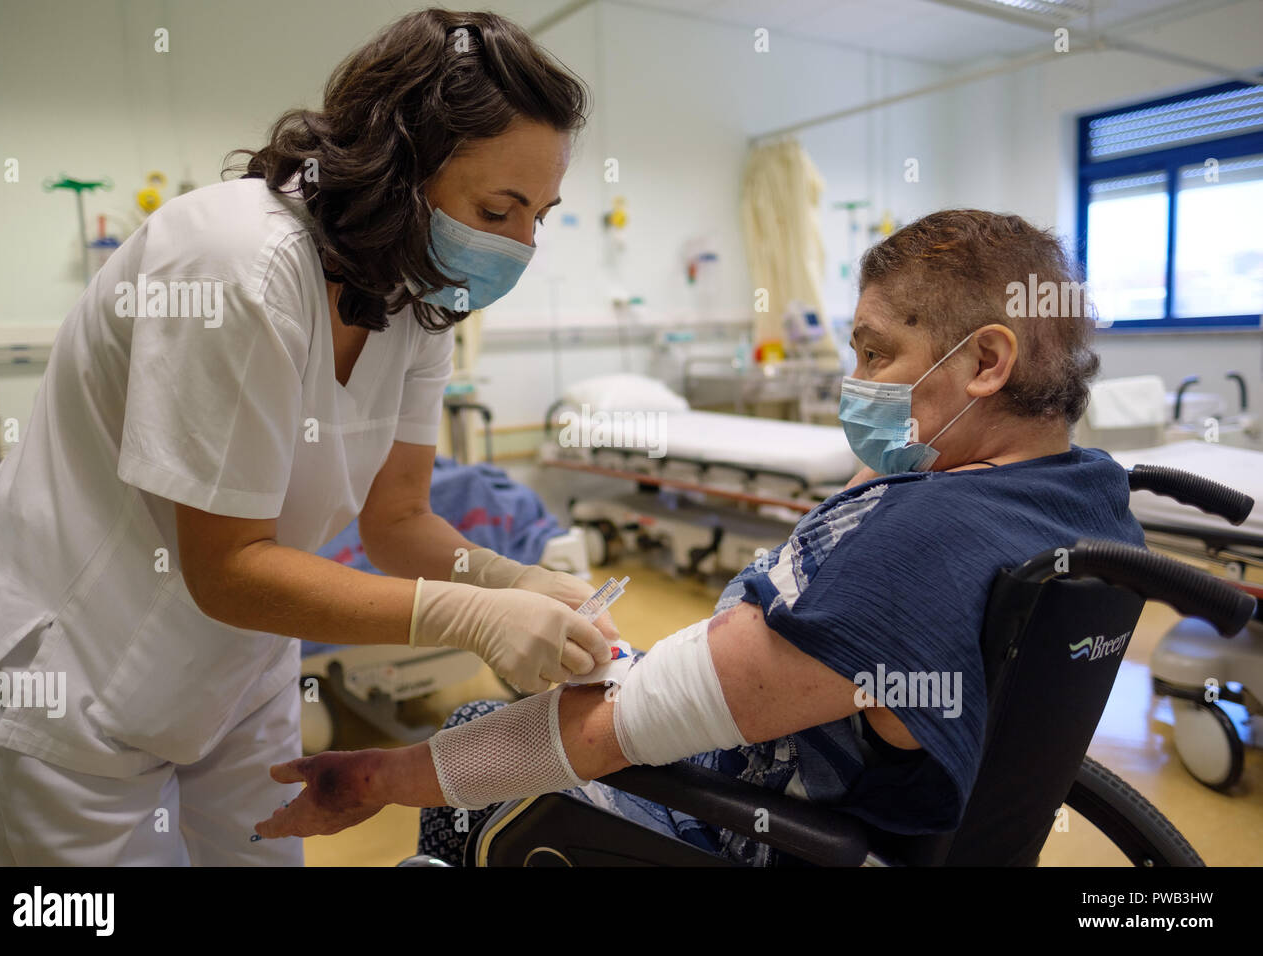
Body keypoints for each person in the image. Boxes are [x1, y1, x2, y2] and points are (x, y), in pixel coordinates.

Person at [252, 210, 1147, 866]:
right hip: (874, 801)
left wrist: (373, 777)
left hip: (748, 828)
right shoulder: (1085, 494)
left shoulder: (918, 547)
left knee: (478, 733)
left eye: (875, 355)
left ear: (987, 363)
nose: (855, 382)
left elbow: (622, 729)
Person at [0, 9, 617, 866]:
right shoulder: (238, 264)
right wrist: (470, 615)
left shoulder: (420, 299)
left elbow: (398, 521)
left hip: (237, 663)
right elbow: (225, 565)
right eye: (499, 209)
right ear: (398, 169)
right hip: (77, 667)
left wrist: (510, 576)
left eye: (541, 214)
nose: (522, 245)